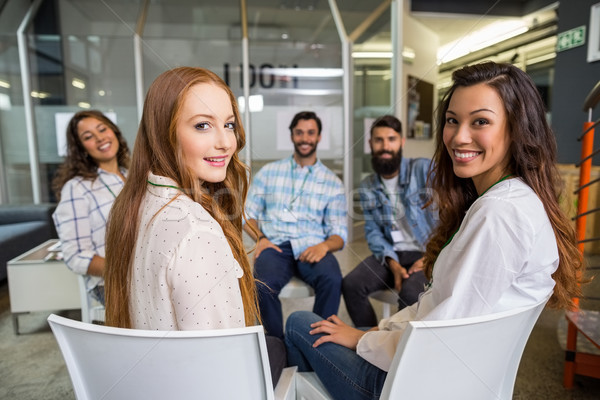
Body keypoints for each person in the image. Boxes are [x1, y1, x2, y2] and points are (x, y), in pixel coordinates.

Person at [284, 61, 584, 400]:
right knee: (352, 290)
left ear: (517, 128)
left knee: (297, 324)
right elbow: (436, 301)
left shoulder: (497, 214)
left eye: (480, 121)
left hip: (413, 383)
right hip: (447, 369)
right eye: (453, 121)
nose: (459, 136)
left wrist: (362, 340)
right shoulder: (514, 200)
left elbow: (438, 334)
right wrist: (374, 331)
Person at [103, 67, 285, 383]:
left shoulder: (135, 203)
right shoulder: (197, 233)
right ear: (163, 132)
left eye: (228, 125)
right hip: (190, 384)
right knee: (278, 347)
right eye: (202, 125)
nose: (226, 142)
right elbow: (219, 373)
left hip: (153, 380)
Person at [244, 111, 348, 339]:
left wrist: (324, 247)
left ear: (319, 137)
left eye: (311, 133)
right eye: (299, 132)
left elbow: (339, 234)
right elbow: (246, 215)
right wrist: (261, 239)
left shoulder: (332, 182)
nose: (305, 138)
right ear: (291, 135)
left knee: (332, 279)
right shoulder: (270, 172)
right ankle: (276, 345)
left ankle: (317, 345)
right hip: (275, 245)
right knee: (262, 285)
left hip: (313, 246)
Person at [342, 115, 437, 327]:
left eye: (391, 139)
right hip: (392, 251)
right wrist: (391, 262)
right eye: (379, 140)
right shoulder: (367, 186)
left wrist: (433, 256)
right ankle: (371, 340)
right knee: (351, 284)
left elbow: (455, 216)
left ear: (401, 142)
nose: (386, 146)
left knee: (411, 293)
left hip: (427, 251)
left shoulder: (424, 170)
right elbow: (373, 231)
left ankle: (398, 352)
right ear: (370, 144)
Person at [52, 110, 130, 306]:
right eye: (88, 137)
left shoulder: (132, 176)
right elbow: (75, 255)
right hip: (112, 283)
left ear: (114, 132)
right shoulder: (77, 188)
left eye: (102, 129)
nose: (99, 138)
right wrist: (128, 270)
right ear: (82, 149)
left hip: (149, 273)